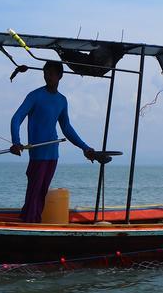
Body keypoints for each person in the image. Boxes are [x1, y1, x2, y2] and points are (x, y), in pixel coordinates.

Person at [10, 61, 109, 223]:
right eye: (45, 73)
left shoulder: (62, 101)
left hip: (52, 154)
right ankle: (29, 222)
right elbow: (16, 118)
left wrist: (84, 147)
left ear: (60, 76)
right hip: (37, 153)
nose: (47, 76)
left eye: (51, 73)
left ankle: (33, 221)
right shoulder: (35, 96)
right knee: (34, 192)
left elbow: (67, 128)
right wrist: (16, 141)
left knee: (42, 192)